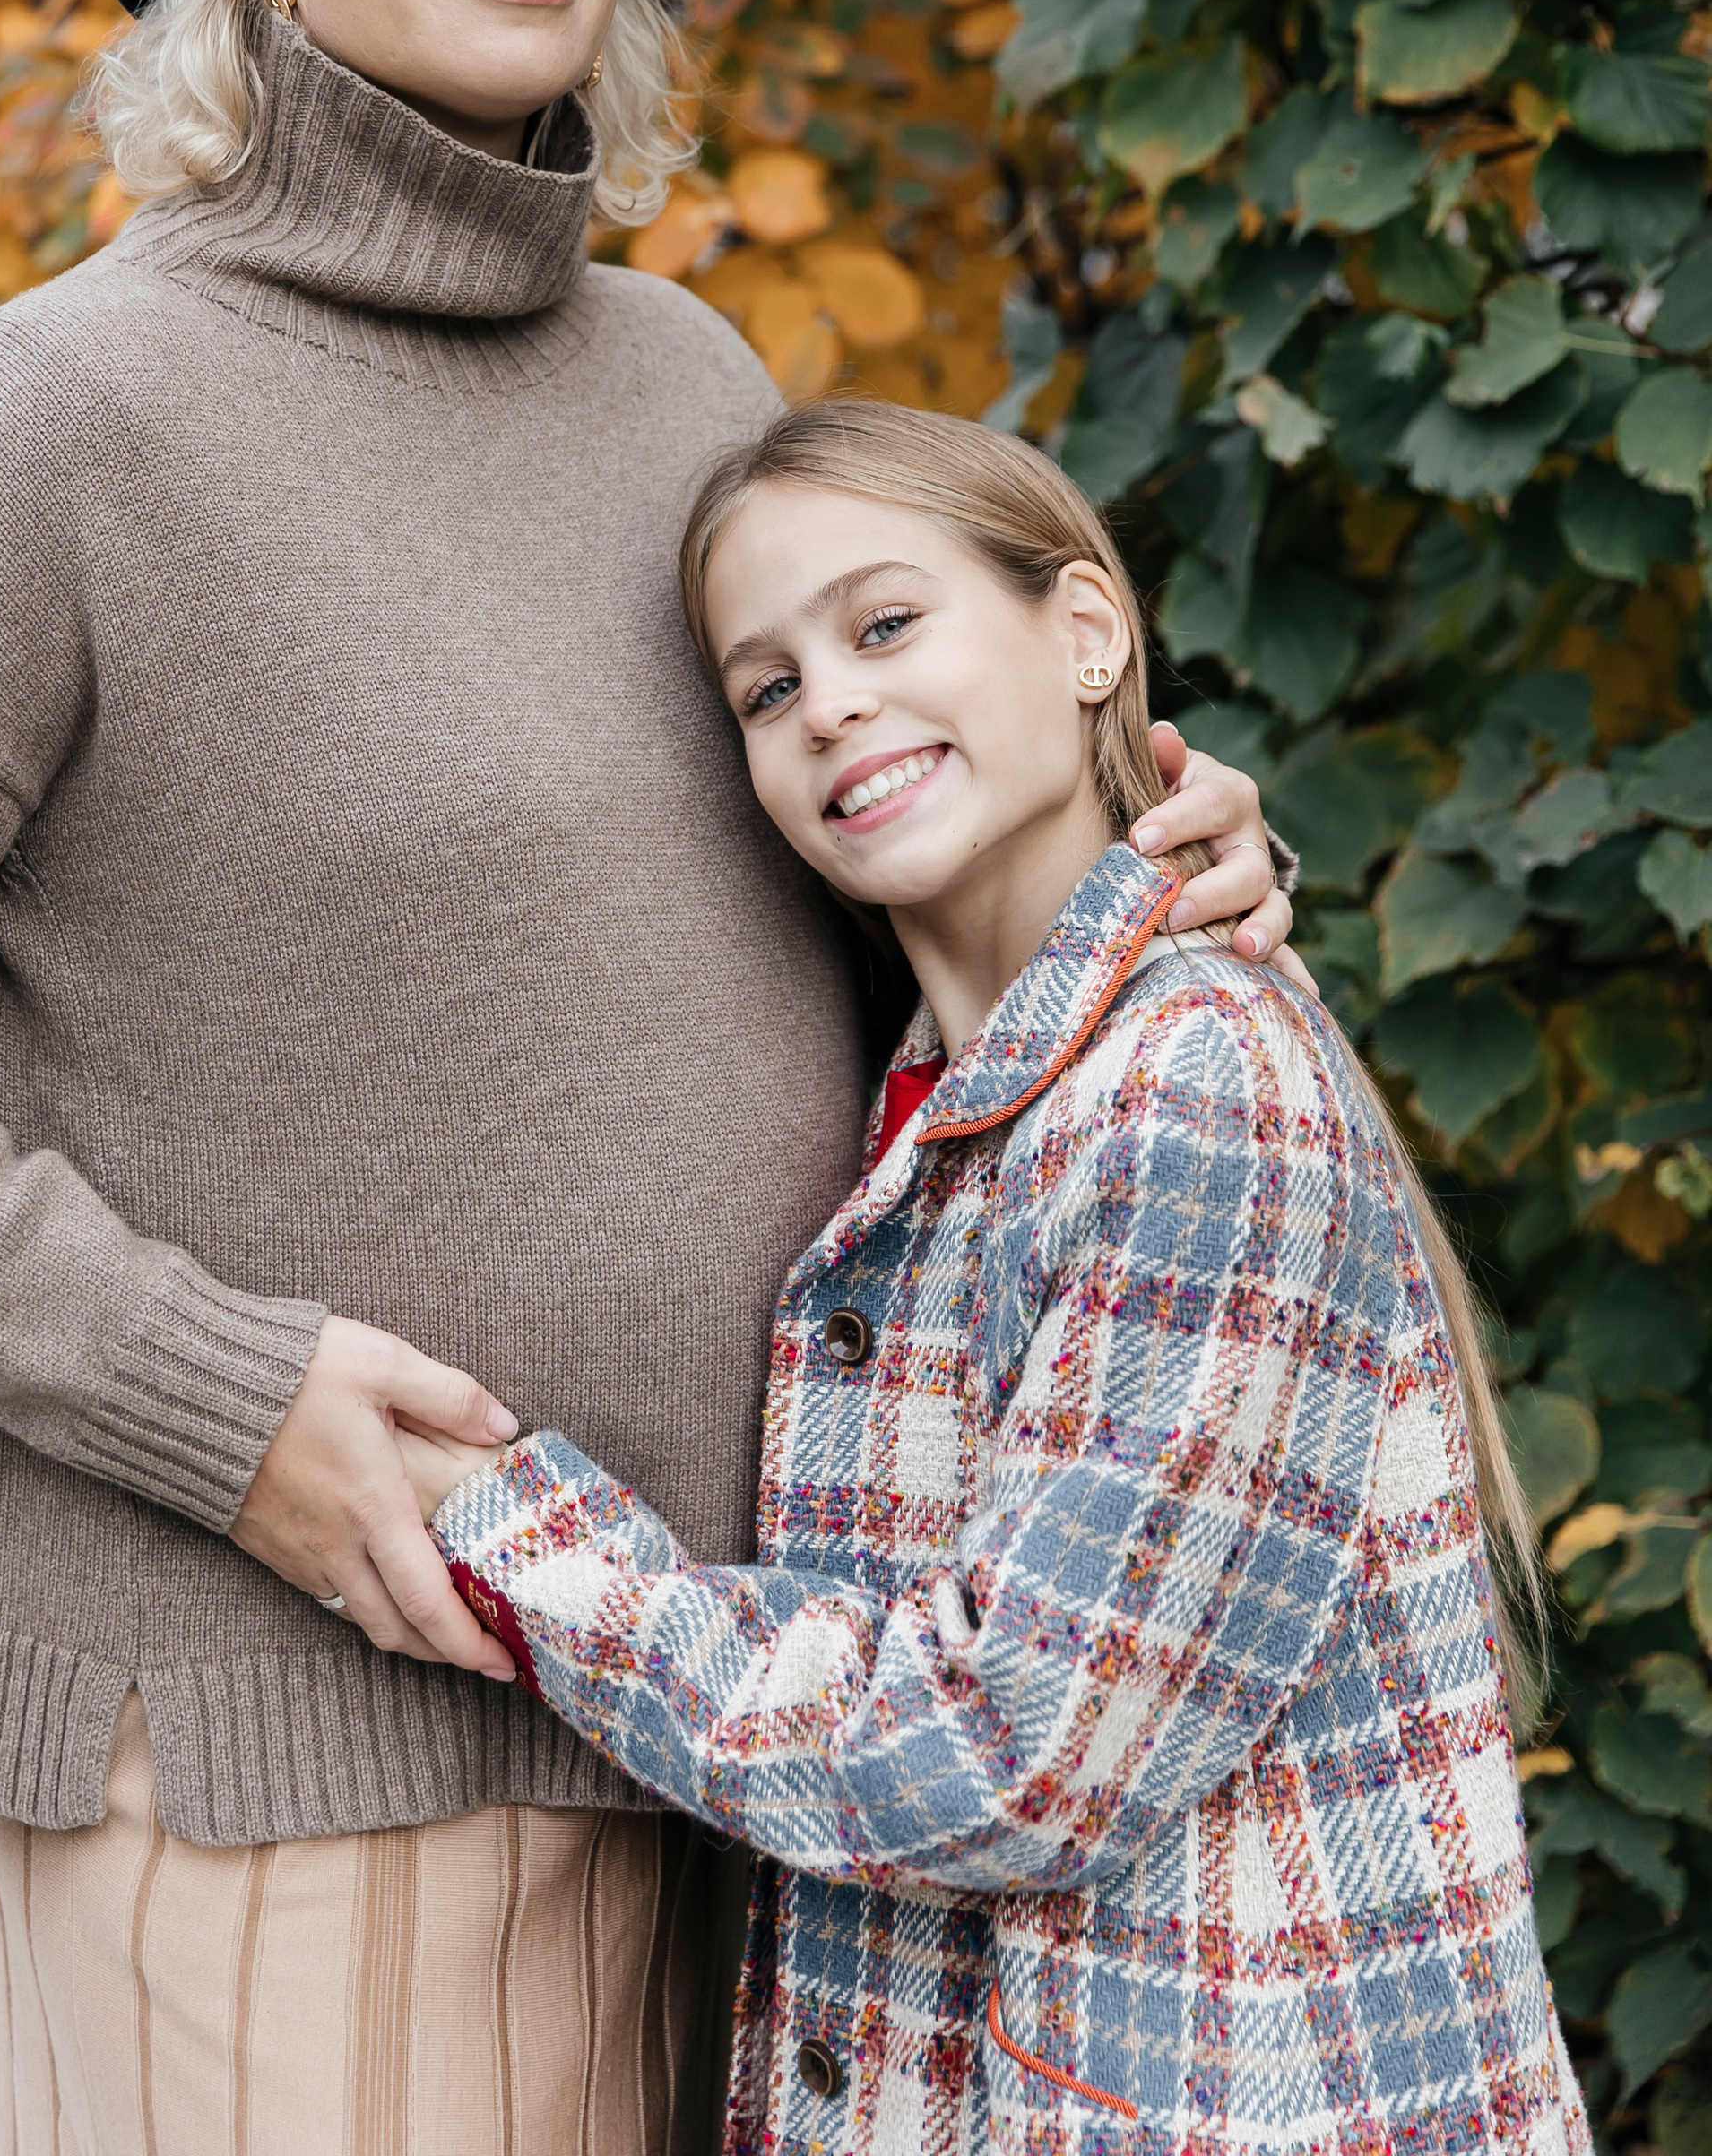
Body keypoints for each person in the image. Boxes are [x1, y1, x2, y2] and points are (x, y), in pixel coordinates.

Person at [0, 0, 1301, 2156]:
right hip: (289, 1721)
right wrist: (214, 1400)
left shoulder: (690, 384)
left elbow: (840, 863)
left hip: (745, 1692)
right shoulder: (52, 427)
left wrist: (1137, 859)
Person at [407, 399, 1583, 2156]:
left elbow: (1007, 1752)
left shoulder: (1192, 1086)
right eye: (765, 688)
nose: (833, 703)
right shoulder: (946, 1093)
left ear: (1085, 632)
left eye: (882, 625)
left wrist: (507, 1527)